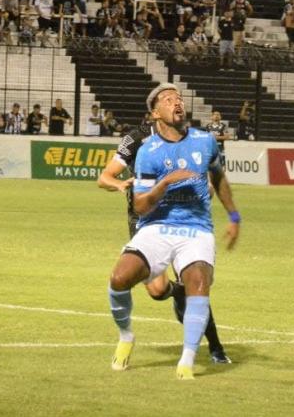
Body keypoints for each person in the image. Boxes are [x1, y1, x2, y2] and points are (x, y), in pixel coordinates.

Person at [105, 83, 240, 380]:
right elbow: (140, 206)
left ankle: (187, 361)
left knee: (199, 284)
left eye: (178, 98)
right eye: (168, 99)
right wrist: (164, 184)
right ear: (155, 112)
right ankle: (126, 336)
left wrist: (234, 215)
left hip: (196, 228)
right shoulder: (146, 150)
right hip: (155, 226)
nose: (176, 102)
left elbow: (219, 179)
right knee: (120, 279)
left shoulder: (205, 141)